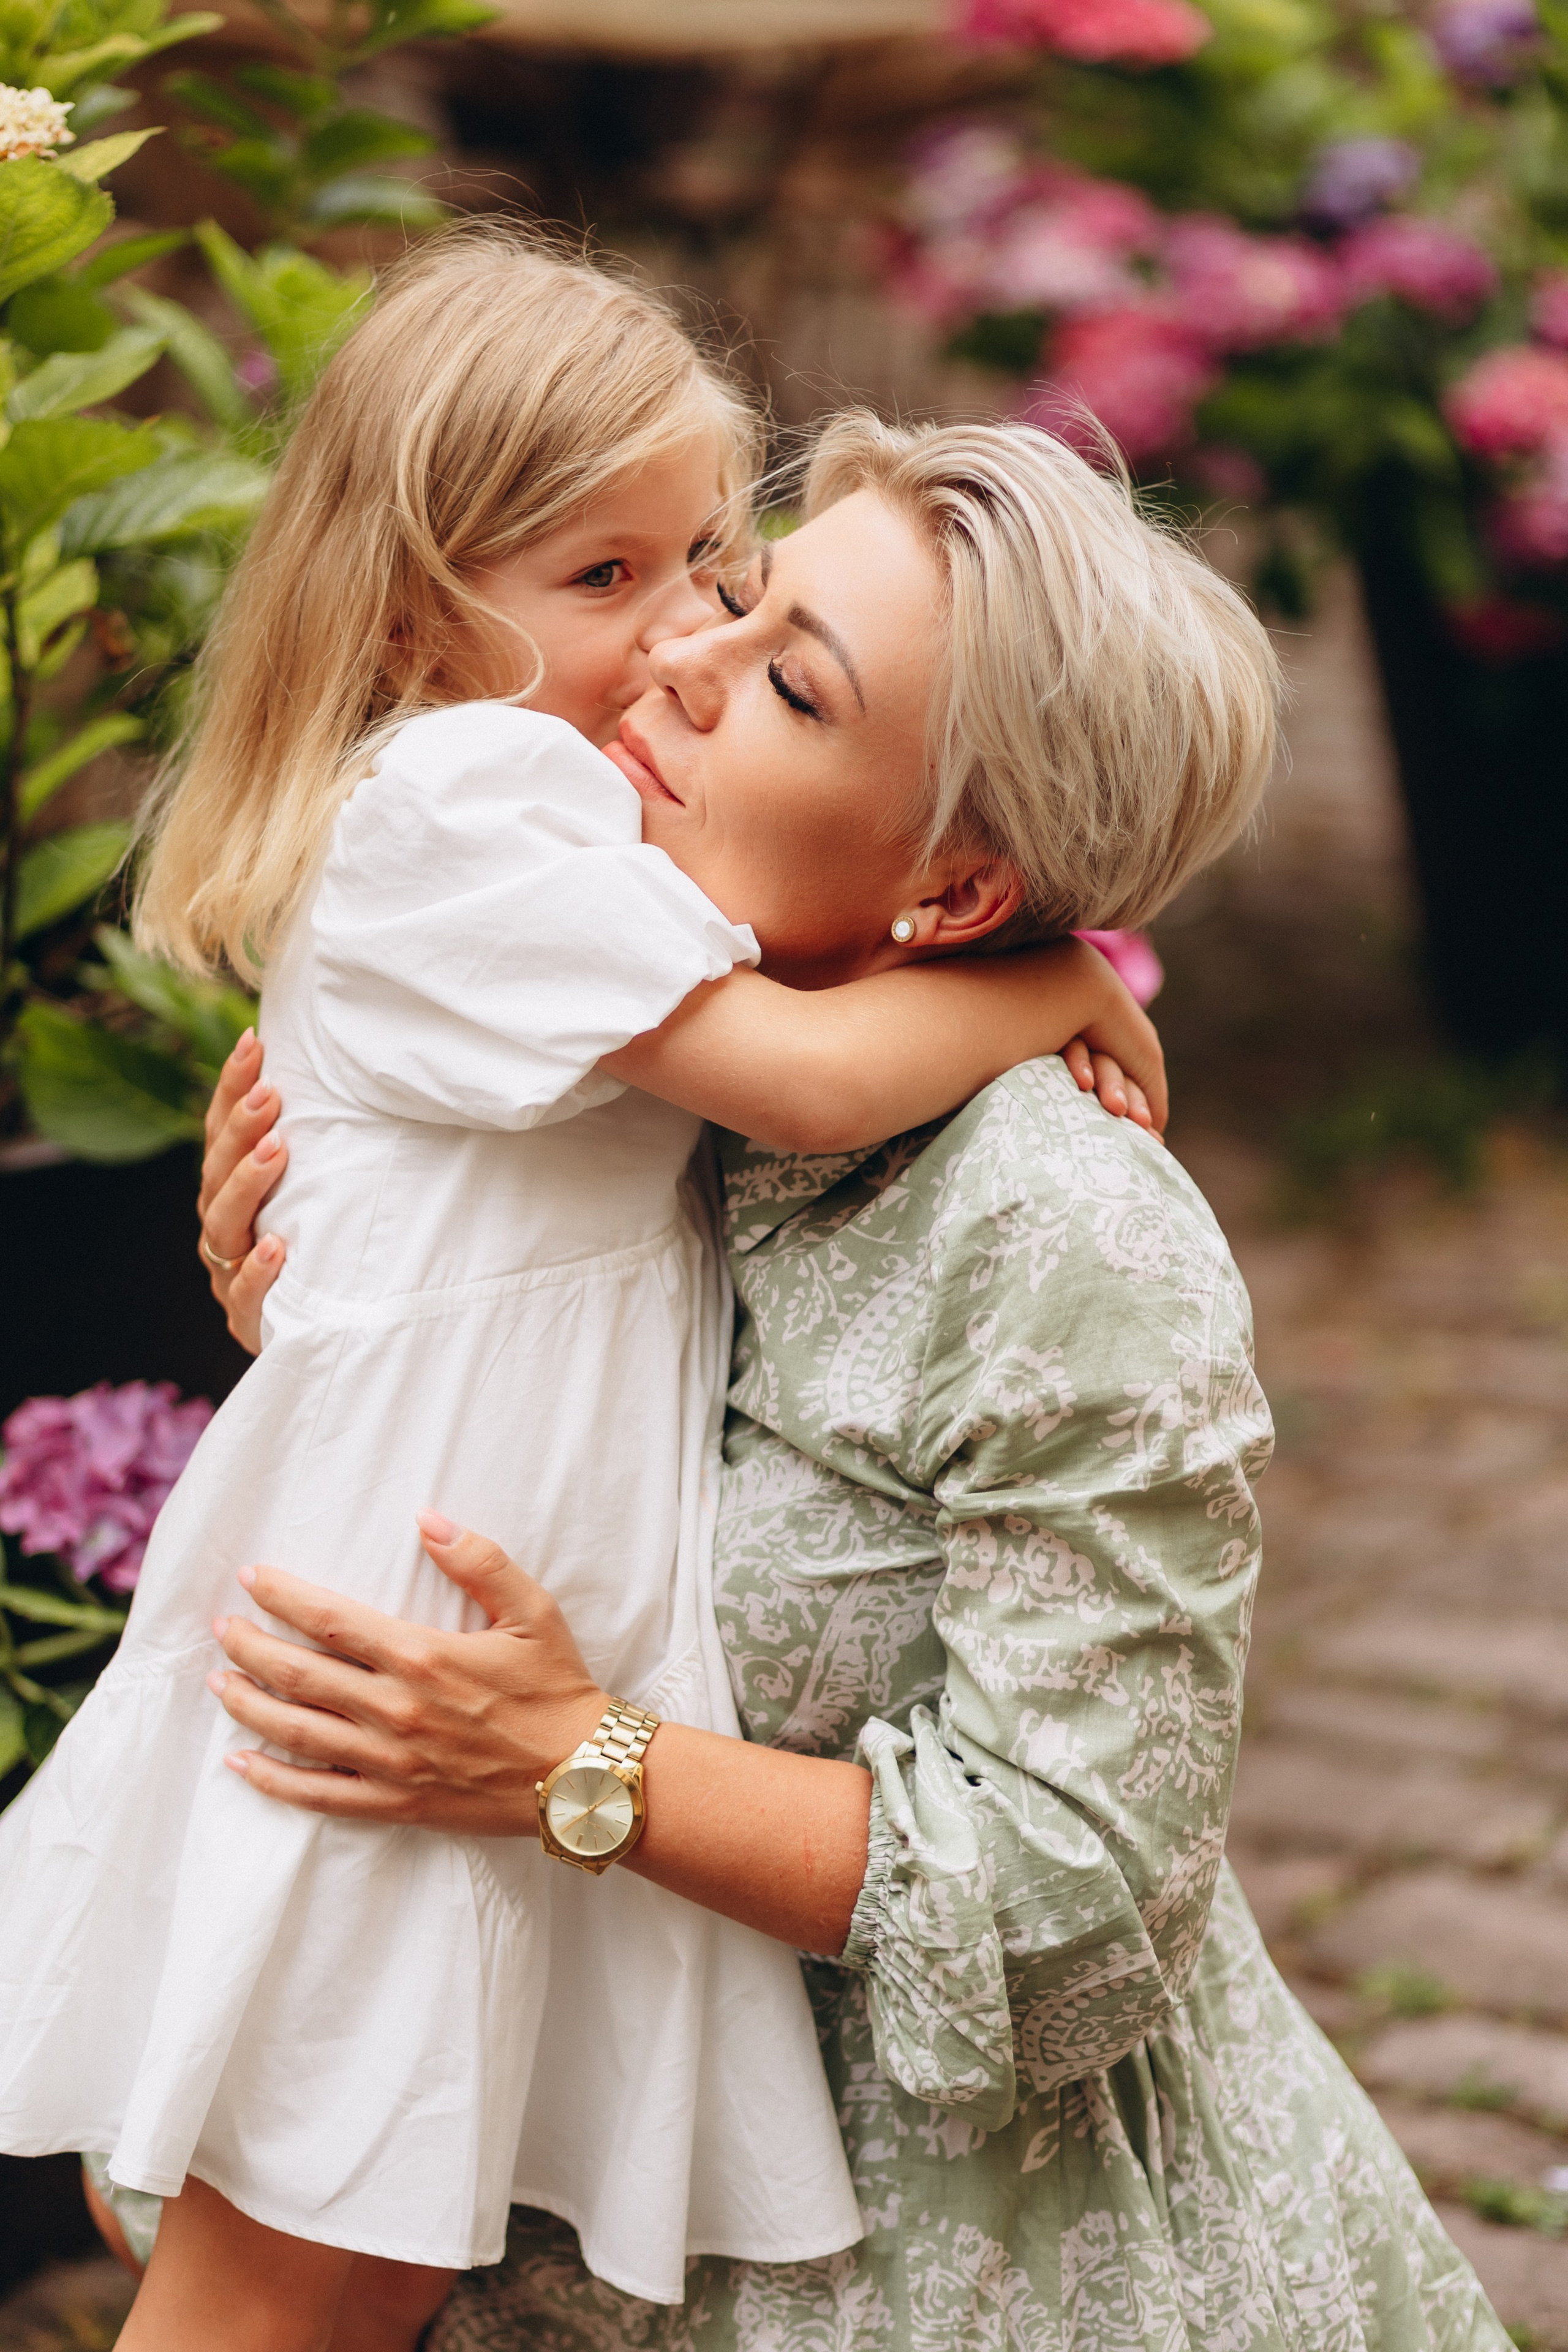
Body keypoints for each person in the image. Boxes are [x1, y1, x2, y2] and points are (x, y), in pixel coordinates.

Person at [189, 412, 1512, 2350]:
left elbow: (1079, 1912)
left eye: (789, 683)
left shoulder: (1062, 1231)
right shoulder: (592, 1037)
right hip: (509, 2177)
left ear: (961, 896)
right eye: (738, 596)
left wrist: (575, 1762)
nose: (675, 660)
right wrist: (318, 1318)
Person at [0, 240, 1163, 2352]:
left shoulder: (545, 823)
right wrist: (1057, 978)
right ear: (412, 619)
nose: (687, 641)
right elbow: (799, 1067)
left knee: (312, 2246)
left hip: (454, 1610)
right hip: (413, 1644)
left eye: (712, 561)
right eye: (601, 579)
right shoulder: (475, 800)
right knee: (280, 2292)